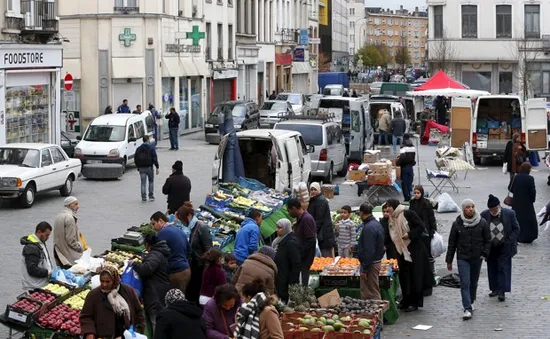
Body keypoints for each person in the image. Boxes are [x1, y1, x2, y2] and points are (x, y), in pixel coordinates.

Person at [446, 199, 491, 320]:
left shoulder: (482, 223)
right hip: (463, 257)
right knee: (465, 283)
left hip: (477, 257)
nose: (470, 209)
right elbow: (452, 243)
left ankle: (471, 300)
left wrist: (484, 254)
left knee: (473, 282)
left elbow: (487, 240)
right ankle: (467, 308)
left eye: (472, 206)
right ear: (463, 209)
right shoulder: (457, 224)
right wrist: (449, 260)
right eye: (468, 207)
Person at [386, 199, 433, 312]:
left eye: (389, 207)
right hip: (401, 250)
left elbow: (421, 226)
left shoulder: (407, 213)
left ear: (394, 206)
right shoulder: (392, 218)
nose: (387, 209)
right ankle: (406, 300)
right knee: (404, 276)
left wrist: (409, 235)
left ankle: (415, 303)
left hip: (414, 250)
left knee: (415, 277)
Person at [80, 266, 145, 339]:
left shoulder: (128, 291)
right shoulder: (94, 295)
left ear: (115, 280)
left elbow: (138, 312)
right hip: (103, 336)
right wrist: (90, 332)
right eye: (102, 281)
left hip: (126, 334)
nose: (104, 284)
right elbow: (86, 316)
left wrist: (138, 330)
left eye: (108, 281)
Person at [481, 195, 520, 302]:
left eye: (494, 209)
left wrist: (509, 240)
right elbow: (482, 231)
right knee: (492, 267)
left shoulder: (509, 214)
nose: (492, 211)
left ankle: (502, 291)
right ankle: (494, 289)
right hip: (491, 246)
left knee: (503, 268)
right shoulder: (484, 215)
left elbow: (516, 229)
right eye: (491, 210)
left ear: (498, 206)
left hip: (505, 246)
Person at [131, 234, 170, 332]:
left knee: (155, 319)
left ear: (148, 245)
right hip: (159, 289)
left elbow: (146, 269)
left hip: (155, 292)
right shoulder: (158, 253)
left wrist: (134, 264)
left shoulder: (155, 254)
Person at [176, 202, 213, 303]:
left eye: (182, 220)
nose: (182, 223)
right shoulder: (186, 229)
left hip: (199, 266)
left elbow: (209, 249)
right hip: (188, 264)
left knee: (194, 291)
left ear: (188, 216)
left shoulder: (202, 228)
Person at [150, 211, 191, 292]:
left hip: (176, 273)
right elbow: (189, 250)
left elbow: (157, 254)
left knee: (174, 301)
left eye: (153, 224)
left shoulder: (162, 234)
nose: (153, 227)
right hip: (186, 270)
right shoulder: (178, 230)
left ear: (161, 221)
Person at [357, 202, 385, 300]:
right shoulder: (377, 224)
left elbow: (369, 250)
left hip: (371, 264)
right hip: (375, 261)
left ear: (361, 213)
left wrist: (365, 269)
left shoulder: (369, 227)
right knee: (372, 290)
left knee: (370, 293)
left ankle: (376, 313)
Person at [287, 198, 316, 286]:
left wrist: (300, 253)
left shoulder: (306, 219)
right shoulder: (301, 218)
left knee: (303, 278)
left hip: (305, 257)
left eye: (289, 210)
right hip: (302, 255)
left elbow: (311, 240)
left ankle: (304, 292)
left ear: (294, 208)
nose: (289, 213)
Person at [409, 185, 437, 274]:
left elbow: (431, 218)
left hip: (426, 230)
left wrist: (433, 230)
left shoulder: (426, 203)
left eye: (418, 193)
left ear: (422, 193)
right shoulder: (412, 203)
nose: (416, 195)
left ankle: (429, 270)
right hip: (416, 230)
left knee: (427, 251)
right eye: (415, 193)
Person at [273, 219, 301, 302]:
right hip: (280, 275)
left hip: (286, 278)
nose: (277, 230)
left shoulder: (291, 242)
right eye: (277, 227)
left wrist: (292, 282)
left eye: (280, 228)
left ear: (286, 228)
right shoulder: (279, 240)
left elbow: (296, 263)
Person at [21, 221, 54, 290]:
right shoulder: (31, 248)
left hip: (40, 283)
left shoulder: (40, 242)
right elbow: (32, 269)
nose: (47, 238)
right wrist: (48, 273)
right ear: (39, 232)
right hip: (34, 286)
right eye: (46, 235)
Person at [53, 196, 84, 268]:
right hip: (68, 255)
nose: (78, 206)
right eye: (75, 204)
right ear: (69, 205)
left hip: (59, 252)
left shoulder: (59, 216)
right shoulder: (69, 218)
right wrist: (80, 248)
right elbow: (71, 240)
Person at [510, 162, 538, 243]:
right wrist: (532, 200)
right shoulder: (530, 178)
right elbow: (532, 192)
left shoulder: (515, 177)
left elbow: (510, 188)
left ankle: (517, 236)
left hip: (516, 202)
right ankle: (528, 236)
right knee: (528, 220)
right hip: (527, 203)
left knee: (517, 219)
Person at [307, 182, 336, 257]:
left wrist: (313, 231)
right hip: (322, 232)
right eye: (311, 189)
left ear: (319, 190)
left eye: (315, 189)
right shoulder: (315, 199)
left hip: (323, 234)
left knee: (325, 256)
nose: (313, 191)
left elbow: (319, 219)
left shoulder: (320, 200)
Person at [134, 135, 160, 202]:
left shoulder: (138, 148)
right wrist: (157, 167)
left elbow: (135, 158)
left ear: (143, 140)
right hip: (149, 167)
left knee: (143, 183)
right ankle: (151, 196)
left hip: (141, 168)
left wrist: (138, 167)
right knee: (151, 181)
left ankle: (143, 197)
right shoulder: (151, 148)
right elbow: (154, 158)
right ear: (148, 139)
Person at [396, 134, 416, 201]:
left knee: (404, 183)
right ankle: (410, 195)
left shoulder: (403, 147)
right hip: (410, 168)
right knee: (409, 182)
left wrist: (397, 163)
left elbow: (403, 157)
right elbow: (412, 157)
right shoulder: (413, 147)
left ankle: (406, 198)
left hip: (404, 167)